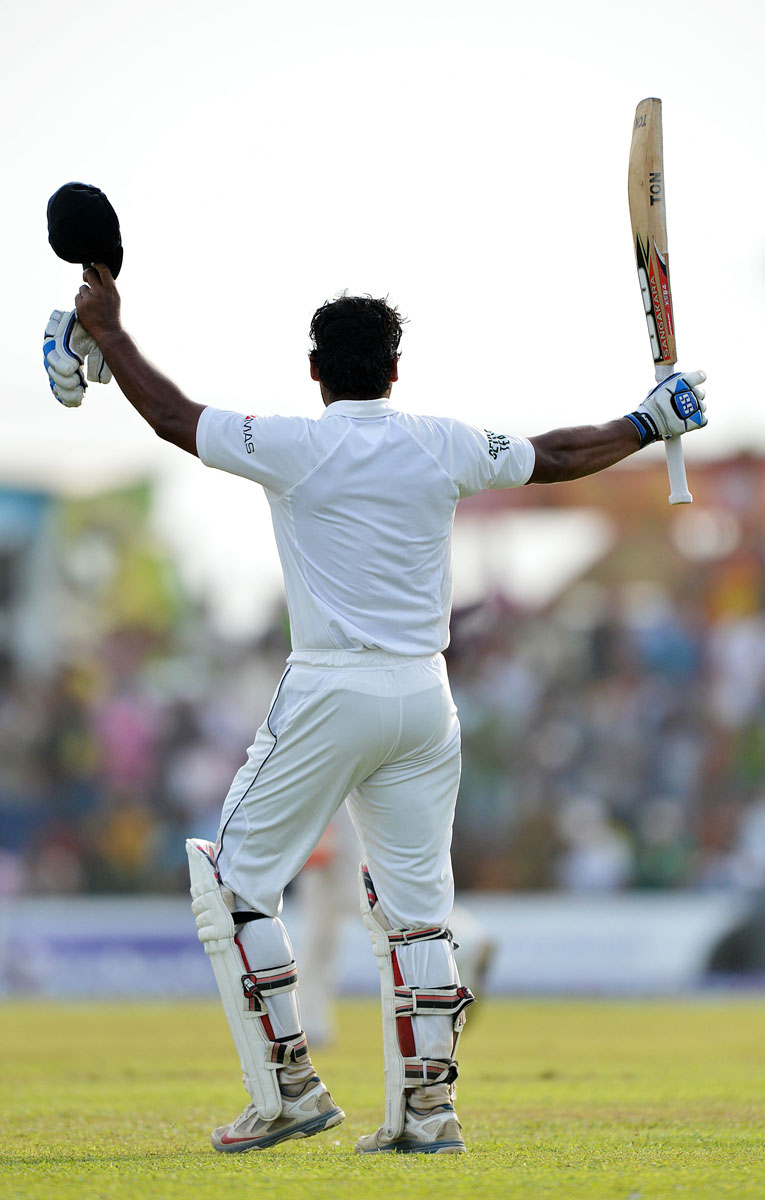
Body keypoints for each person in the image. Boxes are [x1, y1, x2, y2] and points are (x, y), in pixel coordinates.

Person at [50, 265, 707, 1155]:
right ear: (396, 371)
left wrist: (112, 333)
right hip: (426, 700)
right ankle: (426, 1117)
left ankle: (287, 1093)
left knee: (231, 882)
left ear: (314, 371)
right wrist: (647, 420)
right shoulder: (438, 441)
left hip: (332, 684)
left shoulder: (292, 441)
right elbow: (554, 457)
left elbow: (173, 418)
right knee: (415, 911)